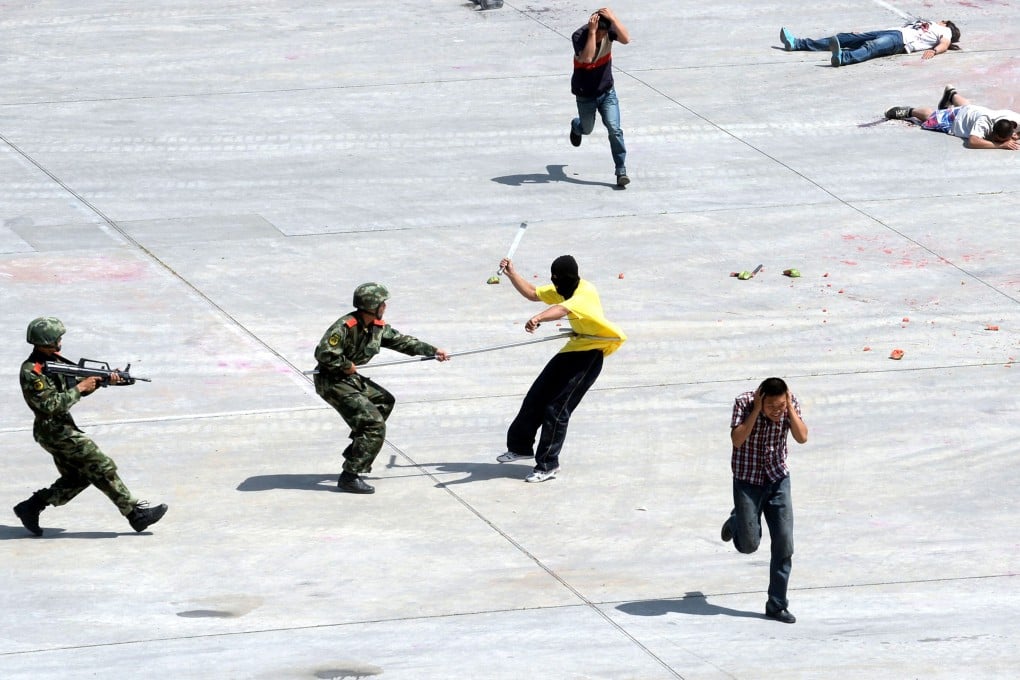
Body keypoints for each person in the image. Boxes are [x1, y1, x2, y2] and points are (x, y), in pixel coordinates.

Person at [13, 317, 168, 536]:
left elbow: (76, 385)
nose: (60, 341)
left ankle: (31, 507)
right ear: (46, 340)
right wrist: (81, 387)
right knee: (101, 464)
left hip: (60, 429)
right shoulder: (32, 371)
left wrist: (104, 381)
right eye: (57, 338)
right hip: (54, 431)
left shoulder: (55, 360)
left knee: (79, 477)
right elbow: (49, 405)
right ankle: (136, 515)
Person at [495, 255, 626, 482]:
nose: (557, 284)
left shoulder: (584, 293)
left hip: (590, 355)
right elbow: (533, 293)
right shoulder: (563, 288)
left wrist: (538, 318)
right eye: (554, 280)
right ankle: (520, 447)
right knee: (536, 396)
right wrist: (512, 274)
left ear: (572, 277)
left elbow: (561, 310)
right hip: (573, 349)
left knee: (557, 408)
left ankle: (547, 465)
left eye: (560, 280)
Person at [314, 283, 449, 494]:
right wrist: (345, 364)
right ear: (371, 305)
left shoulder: (376, 327)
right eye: (382, 303)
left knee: (384, 401)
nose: (385, 306)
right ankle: (350, 475)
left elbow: (401, 341)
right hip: (332, 381)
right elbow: (324, 354)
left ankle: (358, 450)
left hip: (349, 379)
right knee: (373, 425)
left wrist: (433, 351)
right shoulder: (344, 327)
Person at [720, 378, 808, 624]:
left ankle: (777, 604)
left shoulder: (788, 405)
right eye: (771, 406)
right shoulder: (744, 403)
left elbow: (802, 438)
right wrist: (757, 411)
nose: (776, 411)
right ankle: (738, 520)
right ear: (760, 398)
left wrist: (788, 409)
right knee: (748, 545)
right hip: (748, 481)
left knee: (784, 543)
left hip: (778, 479)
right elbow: (737, 440)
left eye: (780, 406)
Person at [569, 7, 631, 188]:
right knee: (587, 129)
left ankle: (621, 171)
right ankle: (576, 125)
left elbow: (626, 40)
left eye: (604, 34)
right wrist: (592, 33)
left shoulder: (608, 32)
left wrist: (613, 17)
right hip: (585, 96)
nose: (602, 38)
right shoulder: (579, 36)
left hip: (607, 92)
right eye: (599, 34)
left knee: (615, 129)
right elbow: (587, 58)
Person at [885, 84, 1020, 150]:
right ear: (993, 130)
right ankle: (910, 111)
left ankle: (951, 95)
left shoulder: (1015, 119)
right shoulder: (983, 123)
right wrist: (999, 145)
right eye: (996, 137)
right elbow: (972, 142)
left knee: (967, 107)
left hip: (971, 110)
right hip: (956, 120)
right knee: (931, 117)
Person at [779, 19, 959, 67]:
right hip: (893, 32)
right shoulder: (930, 24)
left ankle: (843, 58)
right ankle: (796, 43)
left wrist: (935, 51)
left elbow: (945, 42)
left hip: (900, 41)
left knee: (871, 48)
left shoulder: (946, 30)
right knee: (845, 38)